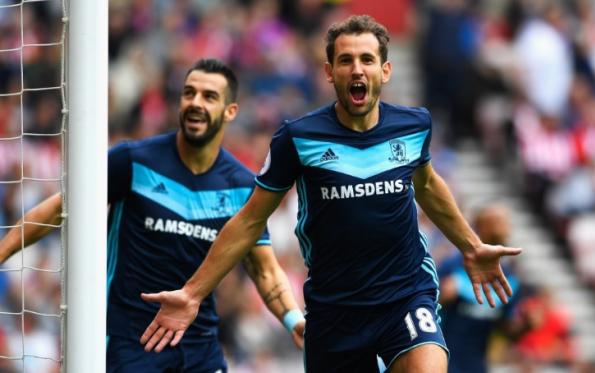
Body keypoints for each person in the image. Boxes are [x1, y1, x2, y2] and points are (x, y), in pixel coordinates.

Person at [140, 16, 522, 373]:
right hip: (335, 310)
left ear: (384, 71)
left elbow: (427, 185)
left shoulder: (413, 125)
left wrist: (470, 246)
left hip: (405, 294)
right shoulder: (298, 138)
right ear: (329, 72)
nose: (357, 69)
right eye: (346, 60)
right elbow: (249, 221)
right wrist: (192, 293)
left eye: (367, 59)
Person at [0, 58, 304, 372]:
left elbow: (264, 271)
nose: (195, 103)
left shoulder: (241, 186)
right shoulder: (133, 161)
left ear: (230, 111)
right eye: (189, 93)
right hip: (130, 345)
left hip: (199, 348)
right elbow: (57, 209)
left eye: (209, 96)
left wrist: (293, 319)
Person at [438, 204, 527, 373]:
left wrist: (525, 325)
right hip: (444, 362)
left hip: (477, 365)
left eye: (506, 222)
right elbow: (423, 308)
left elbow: (506, 329)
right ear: (480, 226)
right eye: (498, 221)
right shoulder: (453, 266)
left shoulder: (509, 279)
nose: (504, 227)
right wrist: (442, 296)